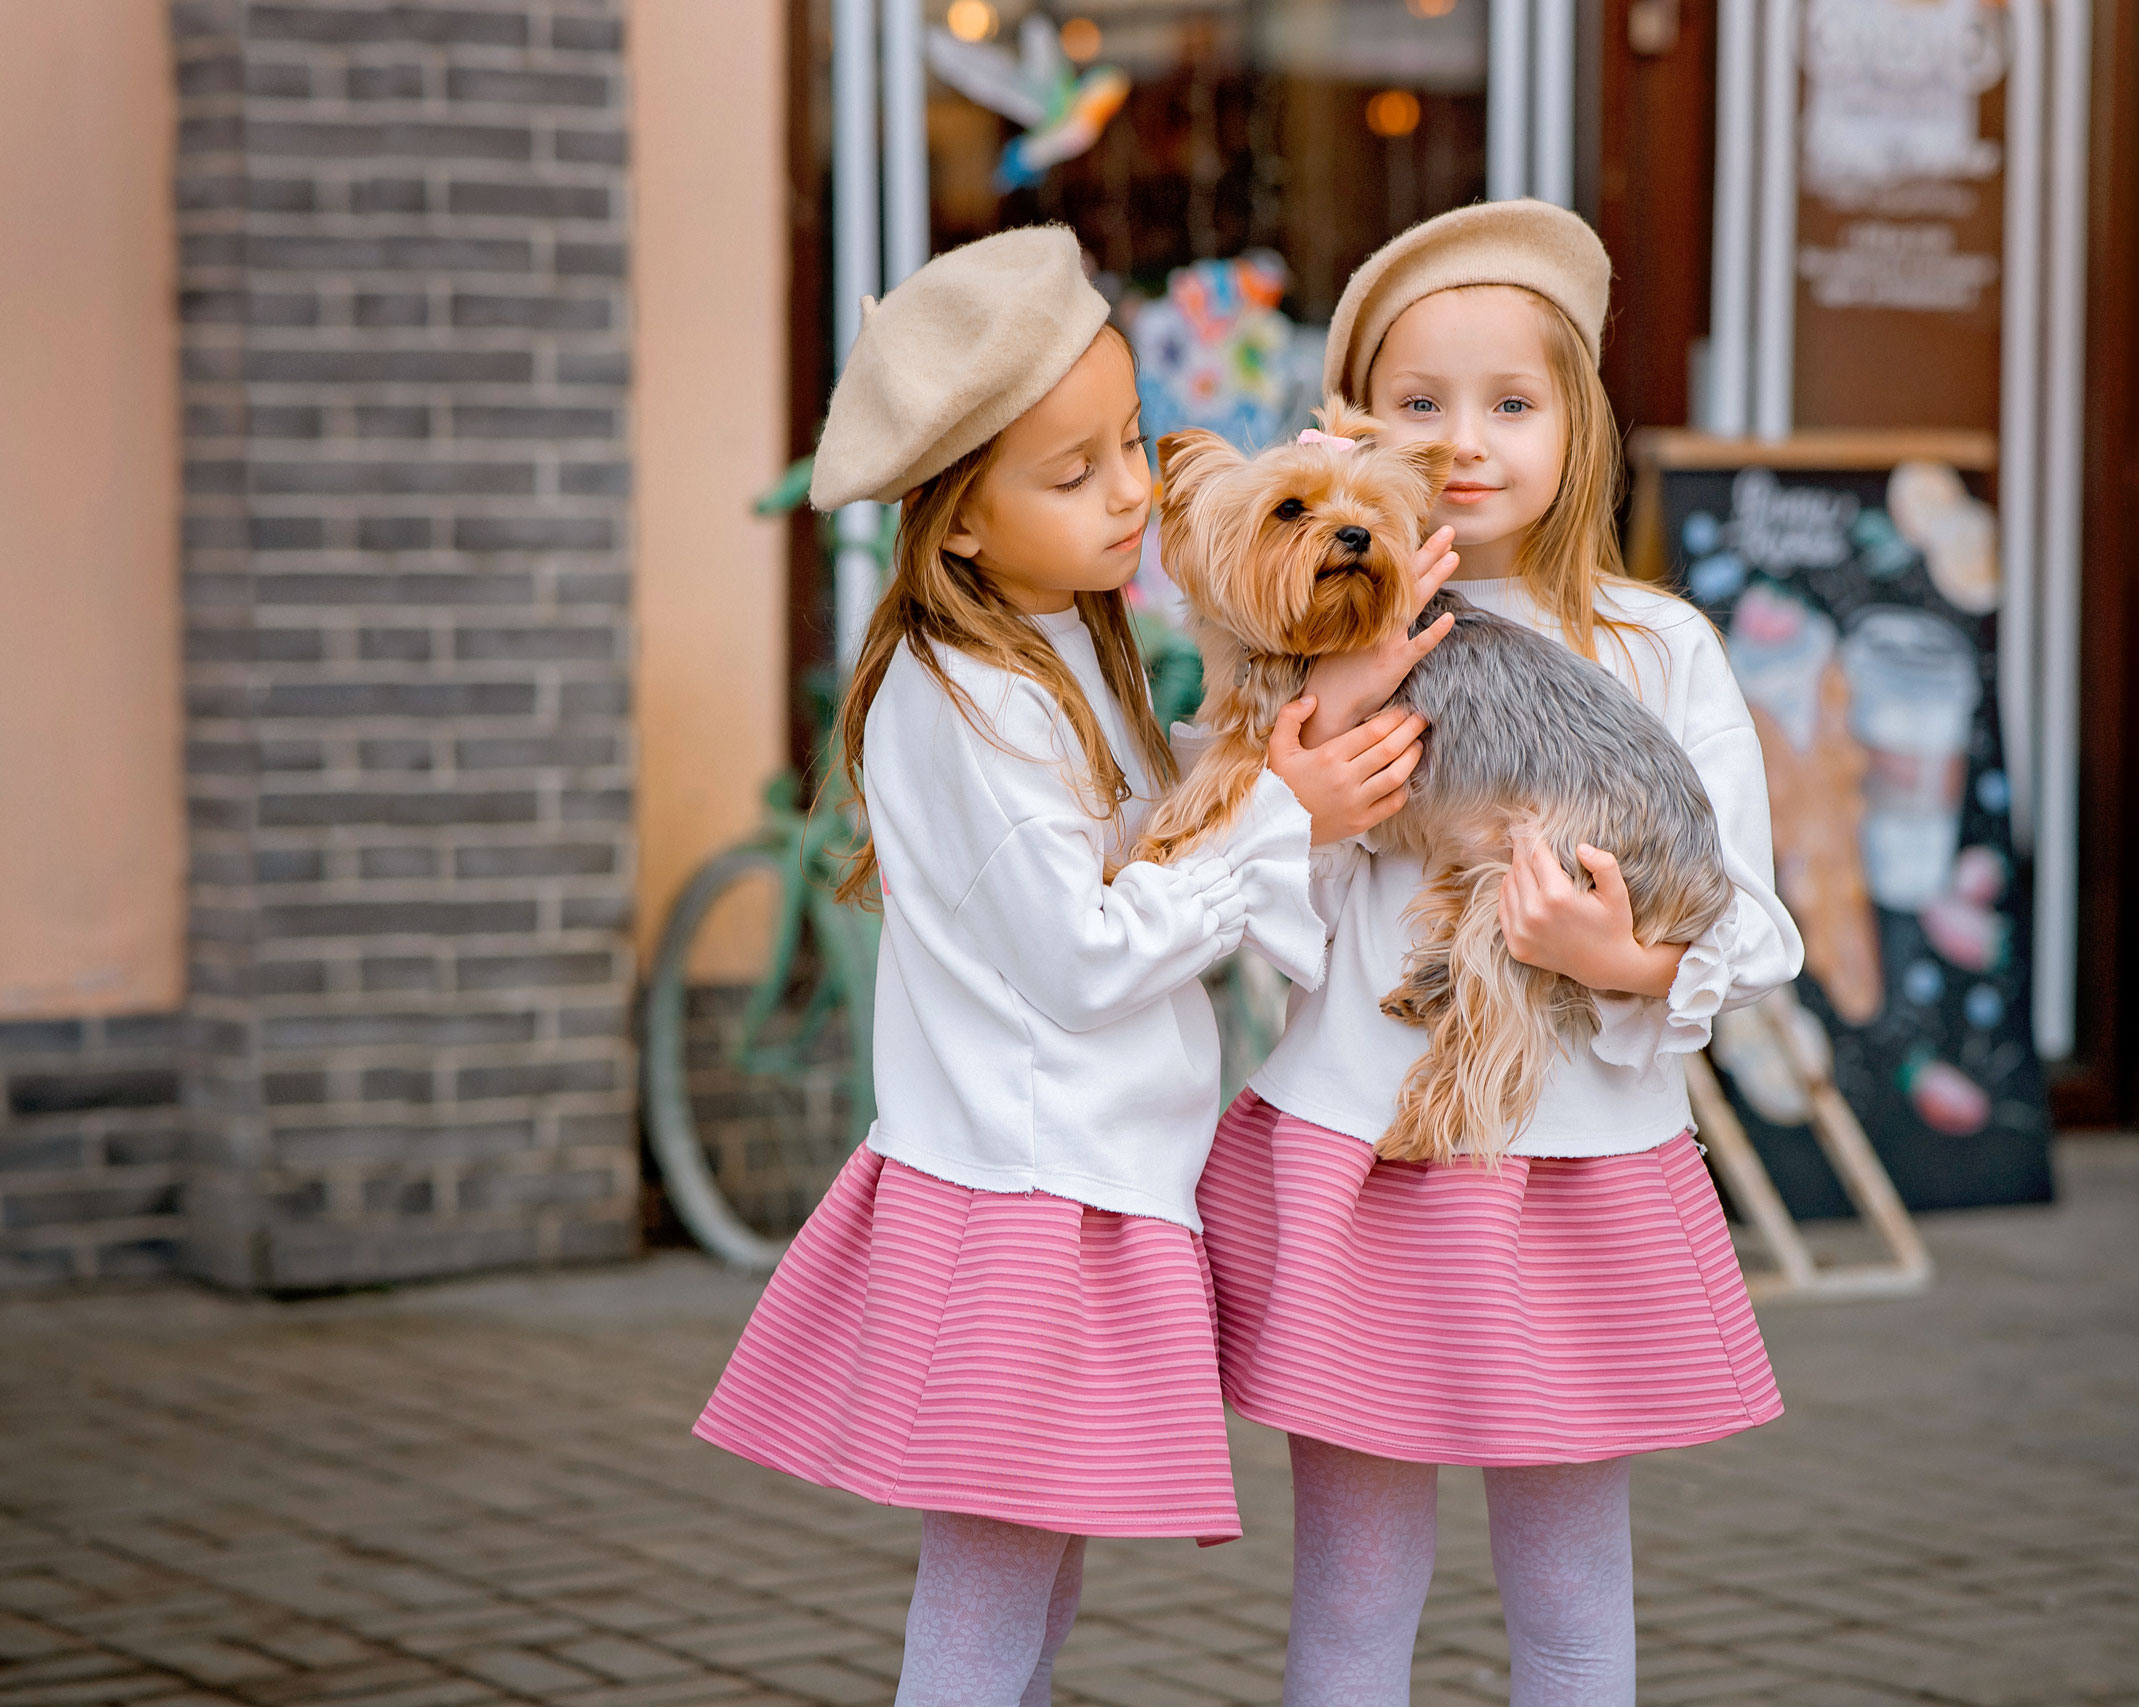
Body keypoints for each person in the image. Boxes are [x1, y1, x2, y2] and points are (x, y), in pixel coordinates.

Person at [690, 225, 1432, 1707]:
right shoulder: (959, 699)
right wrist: (1283, 815)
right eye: (1072, 471)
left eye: (1132, 447)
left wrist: (1272, 791)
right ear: (959, 519)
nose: (1130, 495)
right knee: (990, 1588)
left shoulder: (1067, 645)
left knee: (1036, 1577)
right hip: (1024, 1197)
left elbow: (1164, 861)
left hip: (1086, 1183)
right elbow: (1090, 956)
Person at [1193, 200, 1808, 1707]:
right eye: (1420, 406)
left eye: (1510, 403)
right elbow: (1261, 915)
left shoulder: (1657, 645)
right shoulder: (1314, 642)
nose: (1466, 440)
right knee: (1348, 1590)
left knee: (1573, 1587)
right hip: (1361, 1154)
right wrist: (1317, 751)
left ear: (1577, 427)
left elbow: (1750, 919)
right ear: (1362, 443)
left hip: (1578, 1169)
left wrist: (1630, 963)